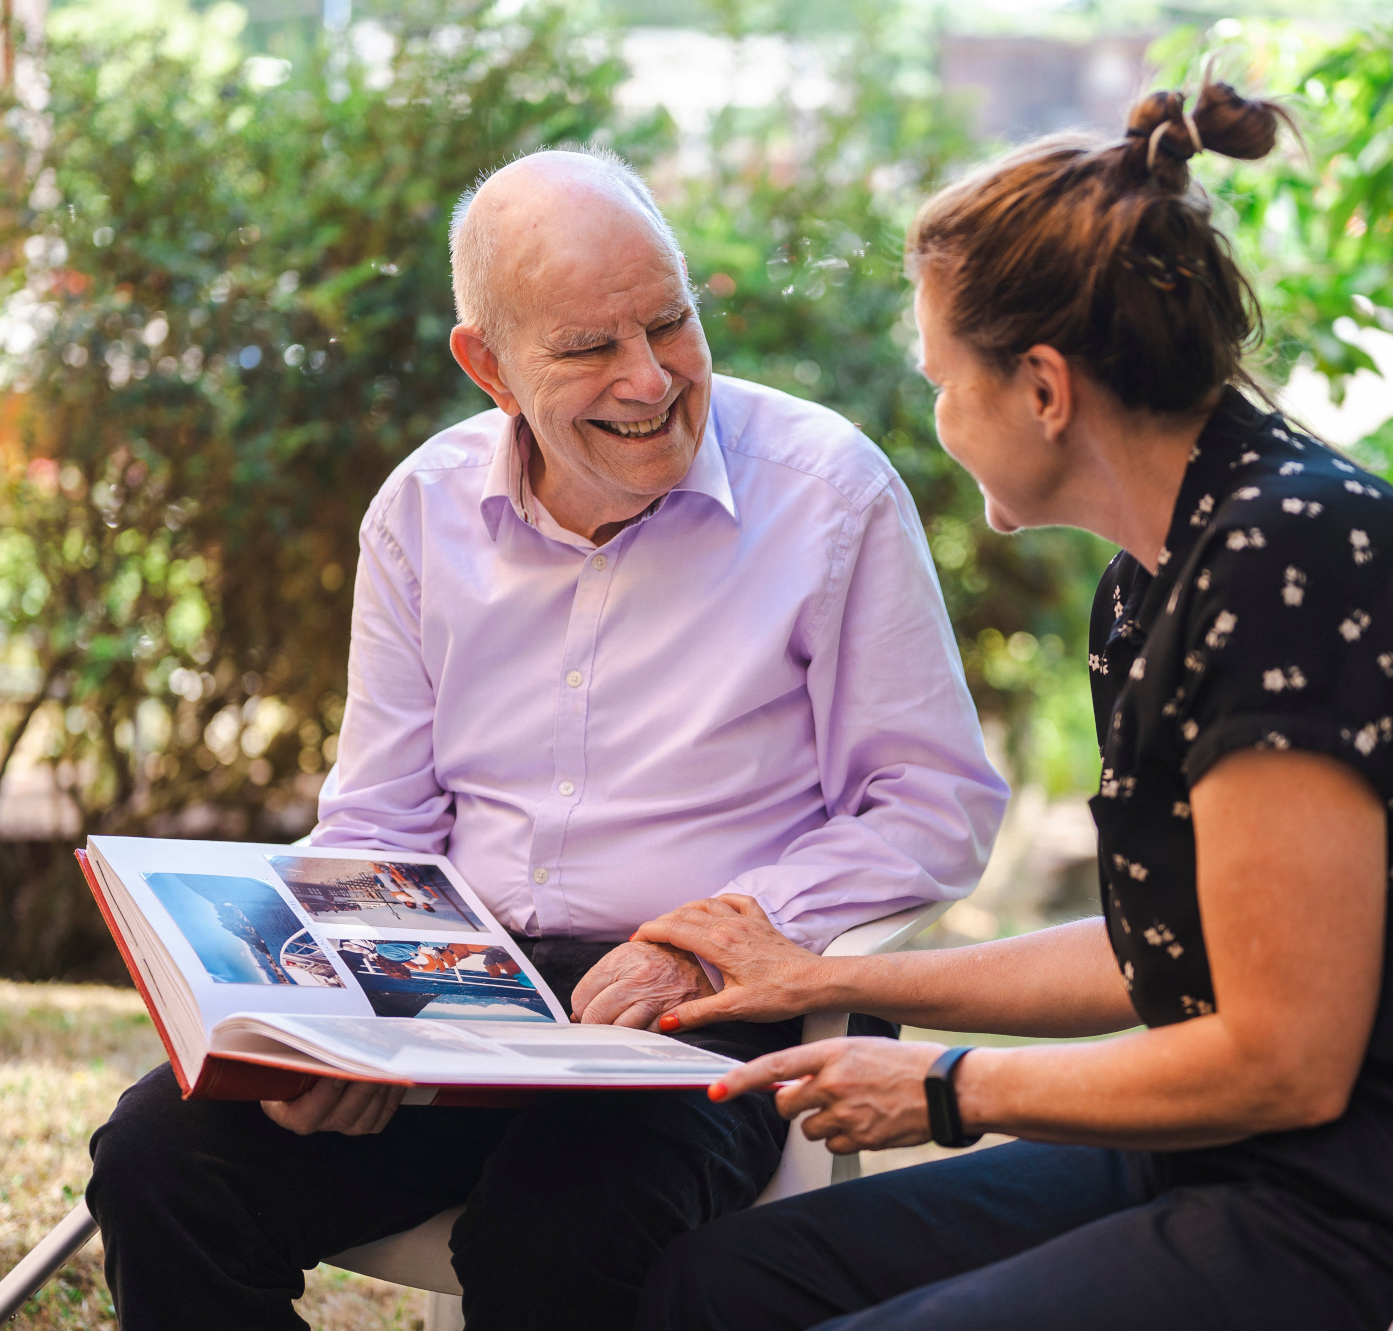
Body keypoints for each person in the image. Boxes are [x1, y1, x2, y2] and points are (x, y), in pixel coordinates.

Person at [628, 80, 1393, 1331]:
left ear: (1042, 388)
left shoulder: (1287, 559)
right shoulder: (1158, 576)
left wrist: (947, 1088)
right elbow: (1155, 952)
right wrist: (811, 974)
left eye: (945, 381)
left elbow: (1281, 1052)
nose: (938, 418)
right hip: (1265, 1148)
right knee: (722, 1284)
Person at [85, 148, 1007, 1331]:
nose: (650, 380)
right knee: (161, 1156)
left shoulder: (827, 491)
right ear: (489, 365)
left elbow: (930, 803)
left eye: (668, 324)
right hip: (458, 990)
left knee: (551, 1239)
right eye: (585, 348)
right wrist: (333, 1022)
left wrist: (707, 943)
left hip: (711, 1011)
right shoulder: (421, 508)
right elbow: (377, 820)